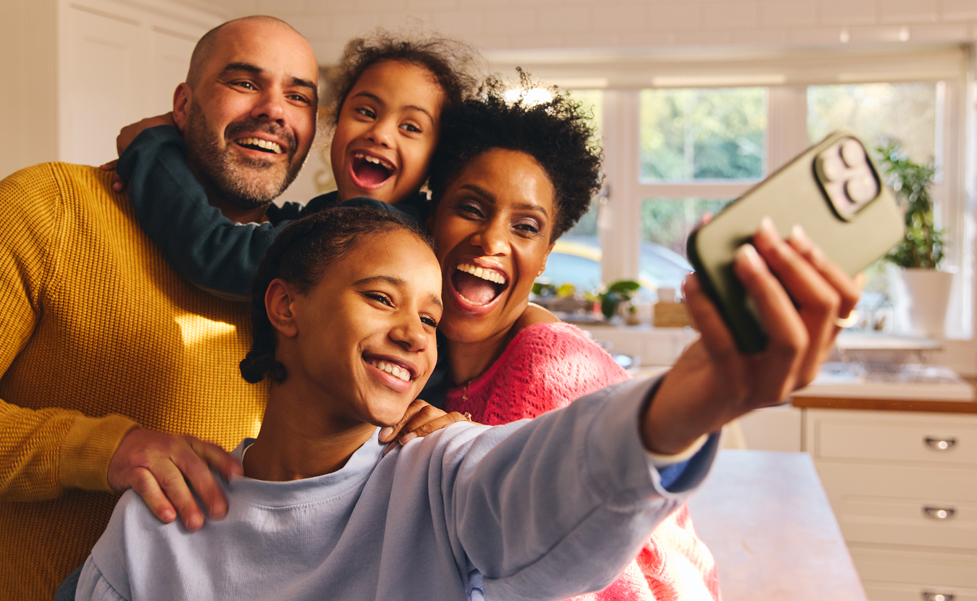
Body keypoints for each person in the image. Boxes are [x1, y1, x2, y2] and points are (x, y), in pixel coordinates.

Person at [70, 198, 859, 600]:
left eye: (430, 317)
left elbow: (550, 479)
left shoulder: (436, 476)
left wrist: (699, 392)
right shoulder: (159, 521)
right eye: (381, 298)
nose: (417, 336)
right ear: (286, 307)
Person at [0, 16, 331, 601]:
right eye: (244, 82)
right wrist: (104, 448)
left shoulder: (316, 269)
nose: (274, 110)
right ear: (183, 105)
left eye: (298, 96)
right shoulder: (50, 208)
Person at [426, 79, 717, 600]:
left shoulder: (547, 365)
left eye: (525, 226)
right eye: (471, 208)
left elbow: (576, 579)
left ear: (546, 255)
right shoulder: (431, 357)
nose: (492, 240)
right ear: (431, 217)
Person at [108, 30, 477, 299]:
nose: (380, 133)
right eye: (365, 111)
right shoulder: (330, 216)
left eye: (411, 127)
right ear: (333, 122)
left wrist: (153, 152)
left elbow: (214, 250)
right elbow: (277, 225)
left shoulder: (375, 234)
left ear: (436, 159)